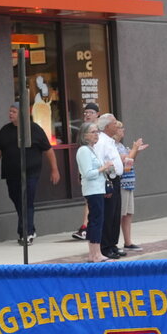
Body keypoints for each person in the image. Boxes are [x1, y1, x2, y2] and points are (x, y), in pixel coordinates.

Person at [0, 103, 59, 246]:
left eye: (14, 111)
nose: (10, 114)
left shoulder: (35, 129)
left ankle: (26, 232)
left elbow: (48, 150)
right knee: (17, 199)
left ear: (22, 114)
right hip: (11, 173)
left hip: (31, 172)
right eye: (10, 111)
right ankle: (27, 228)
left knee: (27, 200)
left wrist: (54, 169)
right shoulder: (5, 130)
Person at [94, 113, 129, 258]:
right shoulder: (101, 142)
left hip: (116, 179)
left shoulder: (110, 141)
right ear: (107, 126)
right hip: (107, 179)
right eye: (114, 123)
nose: (117, 125)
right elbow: (100, 162)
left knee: (115, 214)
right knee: (108, 214)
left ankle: (113, 244)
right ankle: (105, 246)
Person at [75, 123, 108, 263]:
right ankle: (94, 254)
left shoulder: (91, 150)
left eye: (97, 132)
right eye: (93, 132)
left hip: (98, 189)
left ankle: (95, 253)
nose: (96, 135)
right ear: (85, 135)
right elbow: (88, 173)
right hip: (92, 190)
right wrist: (103, 168)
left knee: (97, 220)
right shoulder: (83, 151)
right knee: (95, 221)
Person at [70, 103, 100, 240]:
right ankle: (85, 227)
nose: (87, 115)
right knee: (89, 201)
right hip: (91, 175)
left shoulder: (100, 134)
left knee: (95, 207)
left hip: (100, 177)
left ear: (97, 114)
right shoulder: (84, 134)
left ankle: (87, 228)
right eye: (85, 112)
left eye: (91, 112)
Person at [117, 130, 149, 251]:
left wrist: (136, 151)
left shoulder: (121, 145)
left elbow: (130, 161)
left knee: (128, 213)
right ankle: (113, 243)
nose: (123, 130)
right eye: (120, 128)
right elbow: (125, 163)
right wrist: (134, 149)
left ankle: (128, 241)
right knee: (119, 214)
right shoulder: (112, 146)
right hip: (121, 183)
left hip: (128, 182)